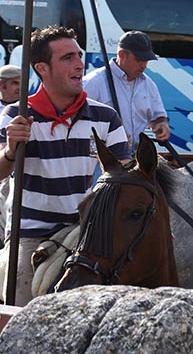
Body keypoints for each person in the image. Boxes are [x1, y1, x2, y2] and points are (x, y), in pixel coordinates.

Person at [0, 26, 130, 305]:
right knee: (20, 313)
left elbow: (124, 175)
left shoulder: (105, 117)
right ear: (42, 69)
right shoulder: (16, 115)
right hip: (30, 232)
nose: (80, 64)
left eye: (79, 56)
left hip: (82, 231)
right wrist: (11, 150)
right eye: (68, 58)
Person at [83, 31, 170, 150]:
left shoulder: (148, 85)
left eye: (146, 60)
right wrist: (112, 136)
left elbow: (158, 118)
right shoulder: (93, 83)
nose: (144, 65)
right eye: (139, 59)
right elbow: (77, 124)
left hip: (134, 160)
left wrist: (162, 125)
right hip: (102, 161)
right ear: (121, 54)